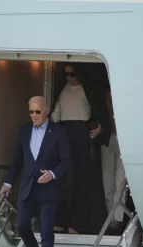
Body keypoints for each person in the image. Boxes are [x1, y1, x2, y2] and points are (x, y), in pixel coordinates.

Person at [0, 96, 72, 247]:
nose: (34, 116)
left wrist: (52, 173)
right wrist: (8, 182)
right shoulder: (24, 130)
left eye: (37, 112)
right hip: (27, 187)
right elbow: (18, 159)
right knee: (22, 226)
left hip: (49, 191)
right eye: (31, 112)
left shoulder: (58, 132)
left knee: (47, 234)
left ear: (46, 111)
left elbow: (67, 161)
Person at [50, 63, 109, 234]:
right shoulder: (62, 90)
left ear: (79, 74)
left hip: (81, 133)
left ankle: (78, 223)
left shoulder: (87, 90)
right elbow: (56, 114)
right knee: (63, 177)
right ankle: (61, 220)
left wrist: (99, 129)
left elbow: (99, 112)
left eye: (72, 74)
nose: (69, 78)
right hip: (64, 132)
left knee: (80, 179)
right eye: (66, 75)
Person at [100, 86, 126, 234]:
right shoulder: (101, 96)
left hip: (123, 140)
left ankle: (119, 220)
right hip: (107, 139)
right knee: (107, 182)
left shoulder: (126, 94)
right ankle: (112, 220)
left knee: (120, 181)